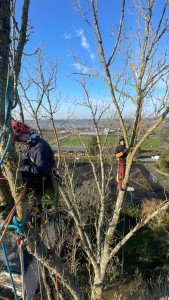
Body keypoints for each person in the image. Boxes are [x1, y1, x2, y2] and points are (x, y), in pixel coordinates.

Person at [12, 121, 55, 196]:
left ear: (24, 137)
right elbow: (34, 161)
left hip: (43, 183)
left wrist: (22, 168)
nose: (20, 144)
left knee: (17, 179)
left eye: (19, 141)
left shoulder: (39, 147)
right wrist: (24, 162)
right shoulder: (33, 144)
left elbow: (42, 170)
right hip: (40, 179)